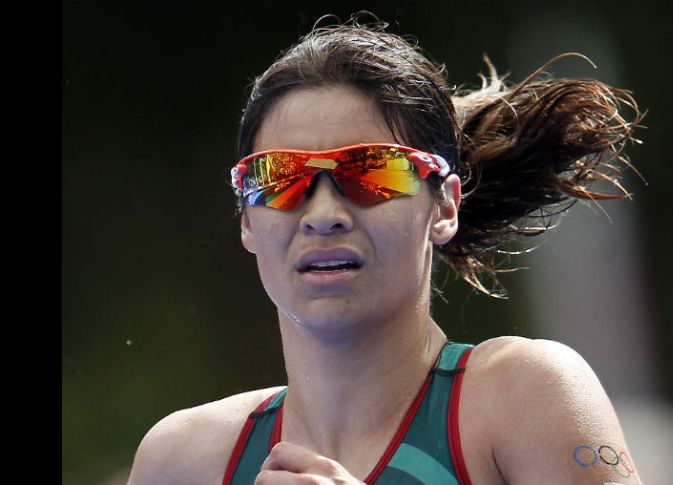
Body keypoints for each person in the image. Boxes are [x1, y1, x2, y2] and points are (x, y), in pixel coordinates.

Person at [128, 11, 646, 485]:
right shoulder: (184, 460)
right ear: (246, 219)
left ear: (444, 206)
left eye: (373, 171)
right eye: (280, 177)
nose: (324, 214)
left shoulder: (523, 396)